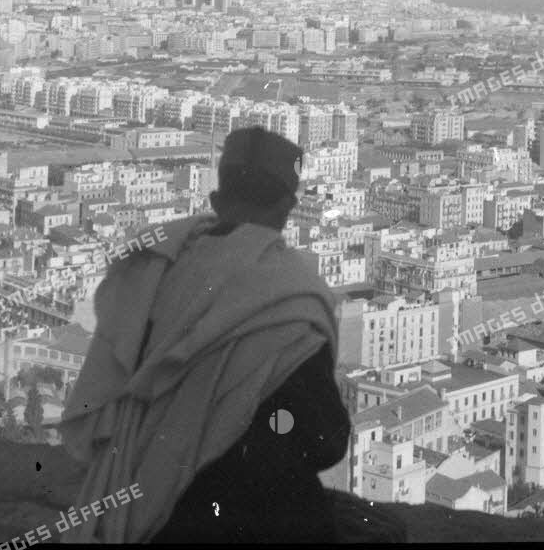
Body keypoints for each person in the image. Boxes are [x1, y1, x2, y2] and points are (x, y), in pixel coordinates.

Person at [59, 126, 350, 543]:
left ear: (216, 200)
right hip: (263, 523)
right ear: (288, 207)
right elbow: (328, 441)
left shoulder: (149, 271)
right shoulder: (291, 297)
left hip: (147, 514)